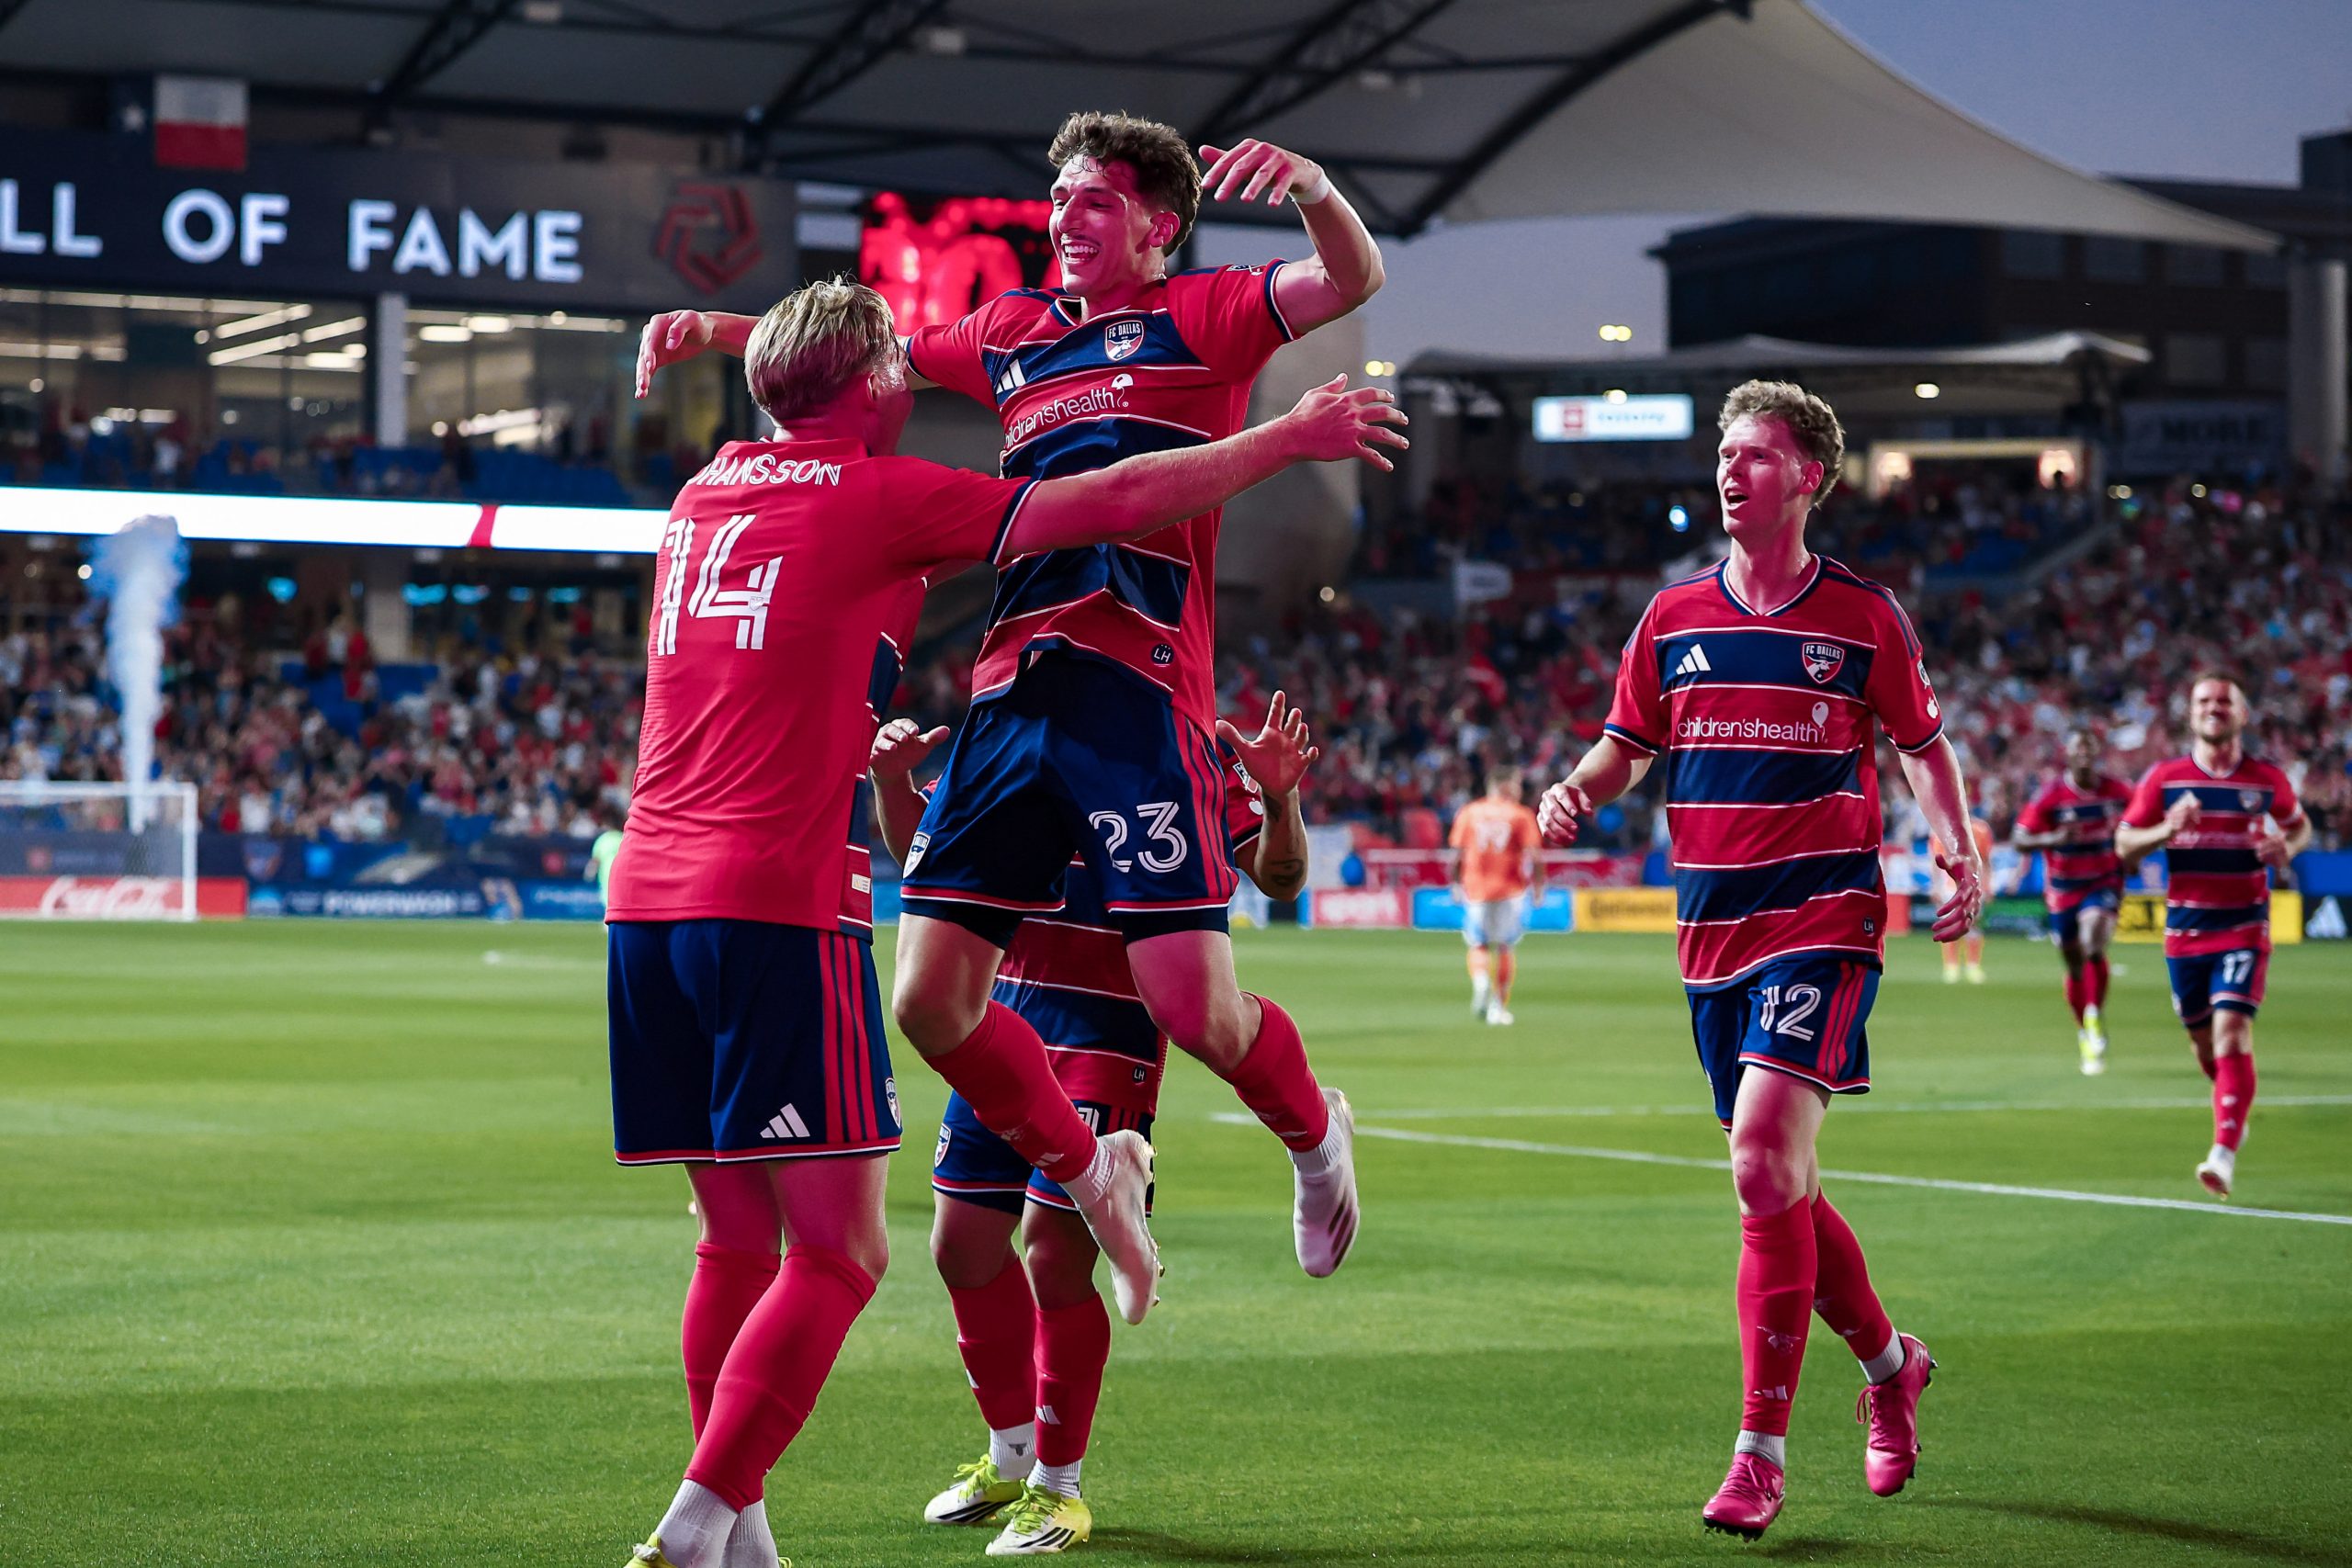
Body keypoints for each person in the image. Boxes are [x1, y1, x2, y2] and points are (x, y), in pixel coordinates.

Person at [604, 277, 1404, 1568]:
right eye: (897, 375)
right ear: (870, 385)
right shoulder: (880, 492)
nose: (915, 389)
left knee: (737, 1234)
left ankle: (744, 1526)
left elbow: (814, 385)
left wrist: (722, 330)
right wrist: (1286, 440)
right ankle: (697, 1521)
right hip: (774, 904)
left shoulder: (704, 495)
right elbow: (1112, 501)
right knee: (843, 1252)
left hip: (643, 899)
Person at [638, 111, 1386, 1280]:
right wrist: (720, 329)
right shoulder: (1012, 330)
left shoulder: (1209, 311)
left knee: (1198, 1013)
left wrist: (1310, 183)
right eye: (1060, 199)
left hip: (1140, 690)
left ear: (1158, 224)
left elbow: (1351, 275)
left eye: (1095, 201)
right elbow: (870, 355)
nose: (1066, 219)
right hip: (1010, 690)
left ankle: (1312, 1133)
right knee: (928, 1000)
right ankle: (1095, 1175)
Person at [1536, 380, 1982, 1542]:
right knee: (1773, 1182)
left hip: (1823, 918)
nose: (1730, 473)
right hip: (1708, 935)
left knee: (1760, 1152)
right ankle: (1891, 1365)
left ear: (1810, 479)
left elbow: (1925, 749)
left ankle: (1759, 1456)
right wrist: (1575, 788)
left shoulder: (1862, 617)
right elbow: (1624, 744)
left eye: (1755, 455)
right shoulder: (1673, 616)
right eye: (1724, 455)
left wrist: (1954, 845)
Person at [873, 692, 1317, 1558]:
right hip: (998, 1020)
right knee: (960, 1246)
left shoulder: (1174, 746)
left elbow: (1284, 877)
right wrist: (892, 785)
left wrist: (1280, 798)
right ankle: (1010, 1451)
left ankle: (1059, 1484)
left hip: (1109, 1034)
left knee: (1051, 1249)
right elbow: (930, 865)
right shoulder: (1009, 728)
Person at [2115, 673, 2310, 1199]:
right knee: (2203, 1041)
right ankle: (2233, 1105)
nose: (2214, 707)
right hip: (2185, 931)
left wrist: (2286, 849)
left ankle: (2222, 1152)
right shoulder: (2166, 778)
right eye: (2203, 700)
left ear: (2242, 714)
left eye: (2224, 700)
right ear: (2191, 713)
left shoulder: (2266, 779)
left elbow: (2299, 824)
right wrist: (2166, 830)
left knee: (2230, 1032)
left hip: (2244, 923)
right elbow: (2125, 846)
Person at [2011, 729, 2132, 1073]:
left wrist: (2133, 848)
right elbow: (2021, 839)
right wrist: (2054, 838)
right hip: (2064, 888)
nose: (2084, 756)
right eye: (2078, 749)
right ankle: (2085, 1030)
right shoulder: (2051, 796)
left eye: (2090, 749)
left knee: (2094, 936)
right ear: (2068, 754)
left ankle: (2094, 1012)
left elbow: (2143, 814)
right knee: (2073, 963)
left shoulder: (2117, 790)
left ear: (2097, 754)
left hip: (2103, 881)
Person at [1448, 765, 1544, 1025]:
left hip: (1476, 888)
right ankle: (1497, 1008)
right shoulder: (1520, 815)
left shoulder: (1469, 812)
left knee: (1478, 944)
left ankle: (1481, 983)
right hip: (1510, 889)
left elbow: (1456, 855)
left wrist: (1455, 884)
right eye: (1516, 784)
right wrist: (1538, 887)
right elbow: (1534, 856)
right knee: (1504, 946)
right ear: (1505, 785)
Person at [1934, 811, 1995, 986]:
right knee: (1950, 924)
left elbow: (1986, 860)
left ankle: (1973, 966)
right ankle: (1951, 966)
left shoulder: (1980, 829)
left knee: (1973, 924)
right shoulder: (1941, 828)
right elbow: (1936, 861)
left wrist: (1988, 885)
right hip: (1949, 885)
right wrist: (1935, 886)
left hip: (1974, 884)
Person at [588, 807, 627, 908]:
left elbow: (595, 861)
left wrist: (589, 875)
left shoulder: (602, 839)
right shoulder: (622, 838)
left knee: (608, 903)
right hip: (620, 875)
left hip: (606, 875)